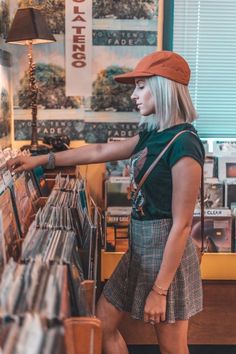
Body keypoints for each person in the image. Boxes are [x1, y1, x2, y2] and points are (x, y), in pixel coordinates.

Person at [7, 51, 205, 354]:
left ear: (164, 86)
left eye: (141, 86)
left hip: (167, 258)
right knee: (101, 324)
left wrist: (159, 291)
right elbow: (99, 151)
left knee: (172, 348)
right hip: (139, 250)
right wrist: (43, 159)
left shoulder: (184, 143)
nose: (133, 95)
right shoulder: (152, 134)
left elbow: (181, 226)